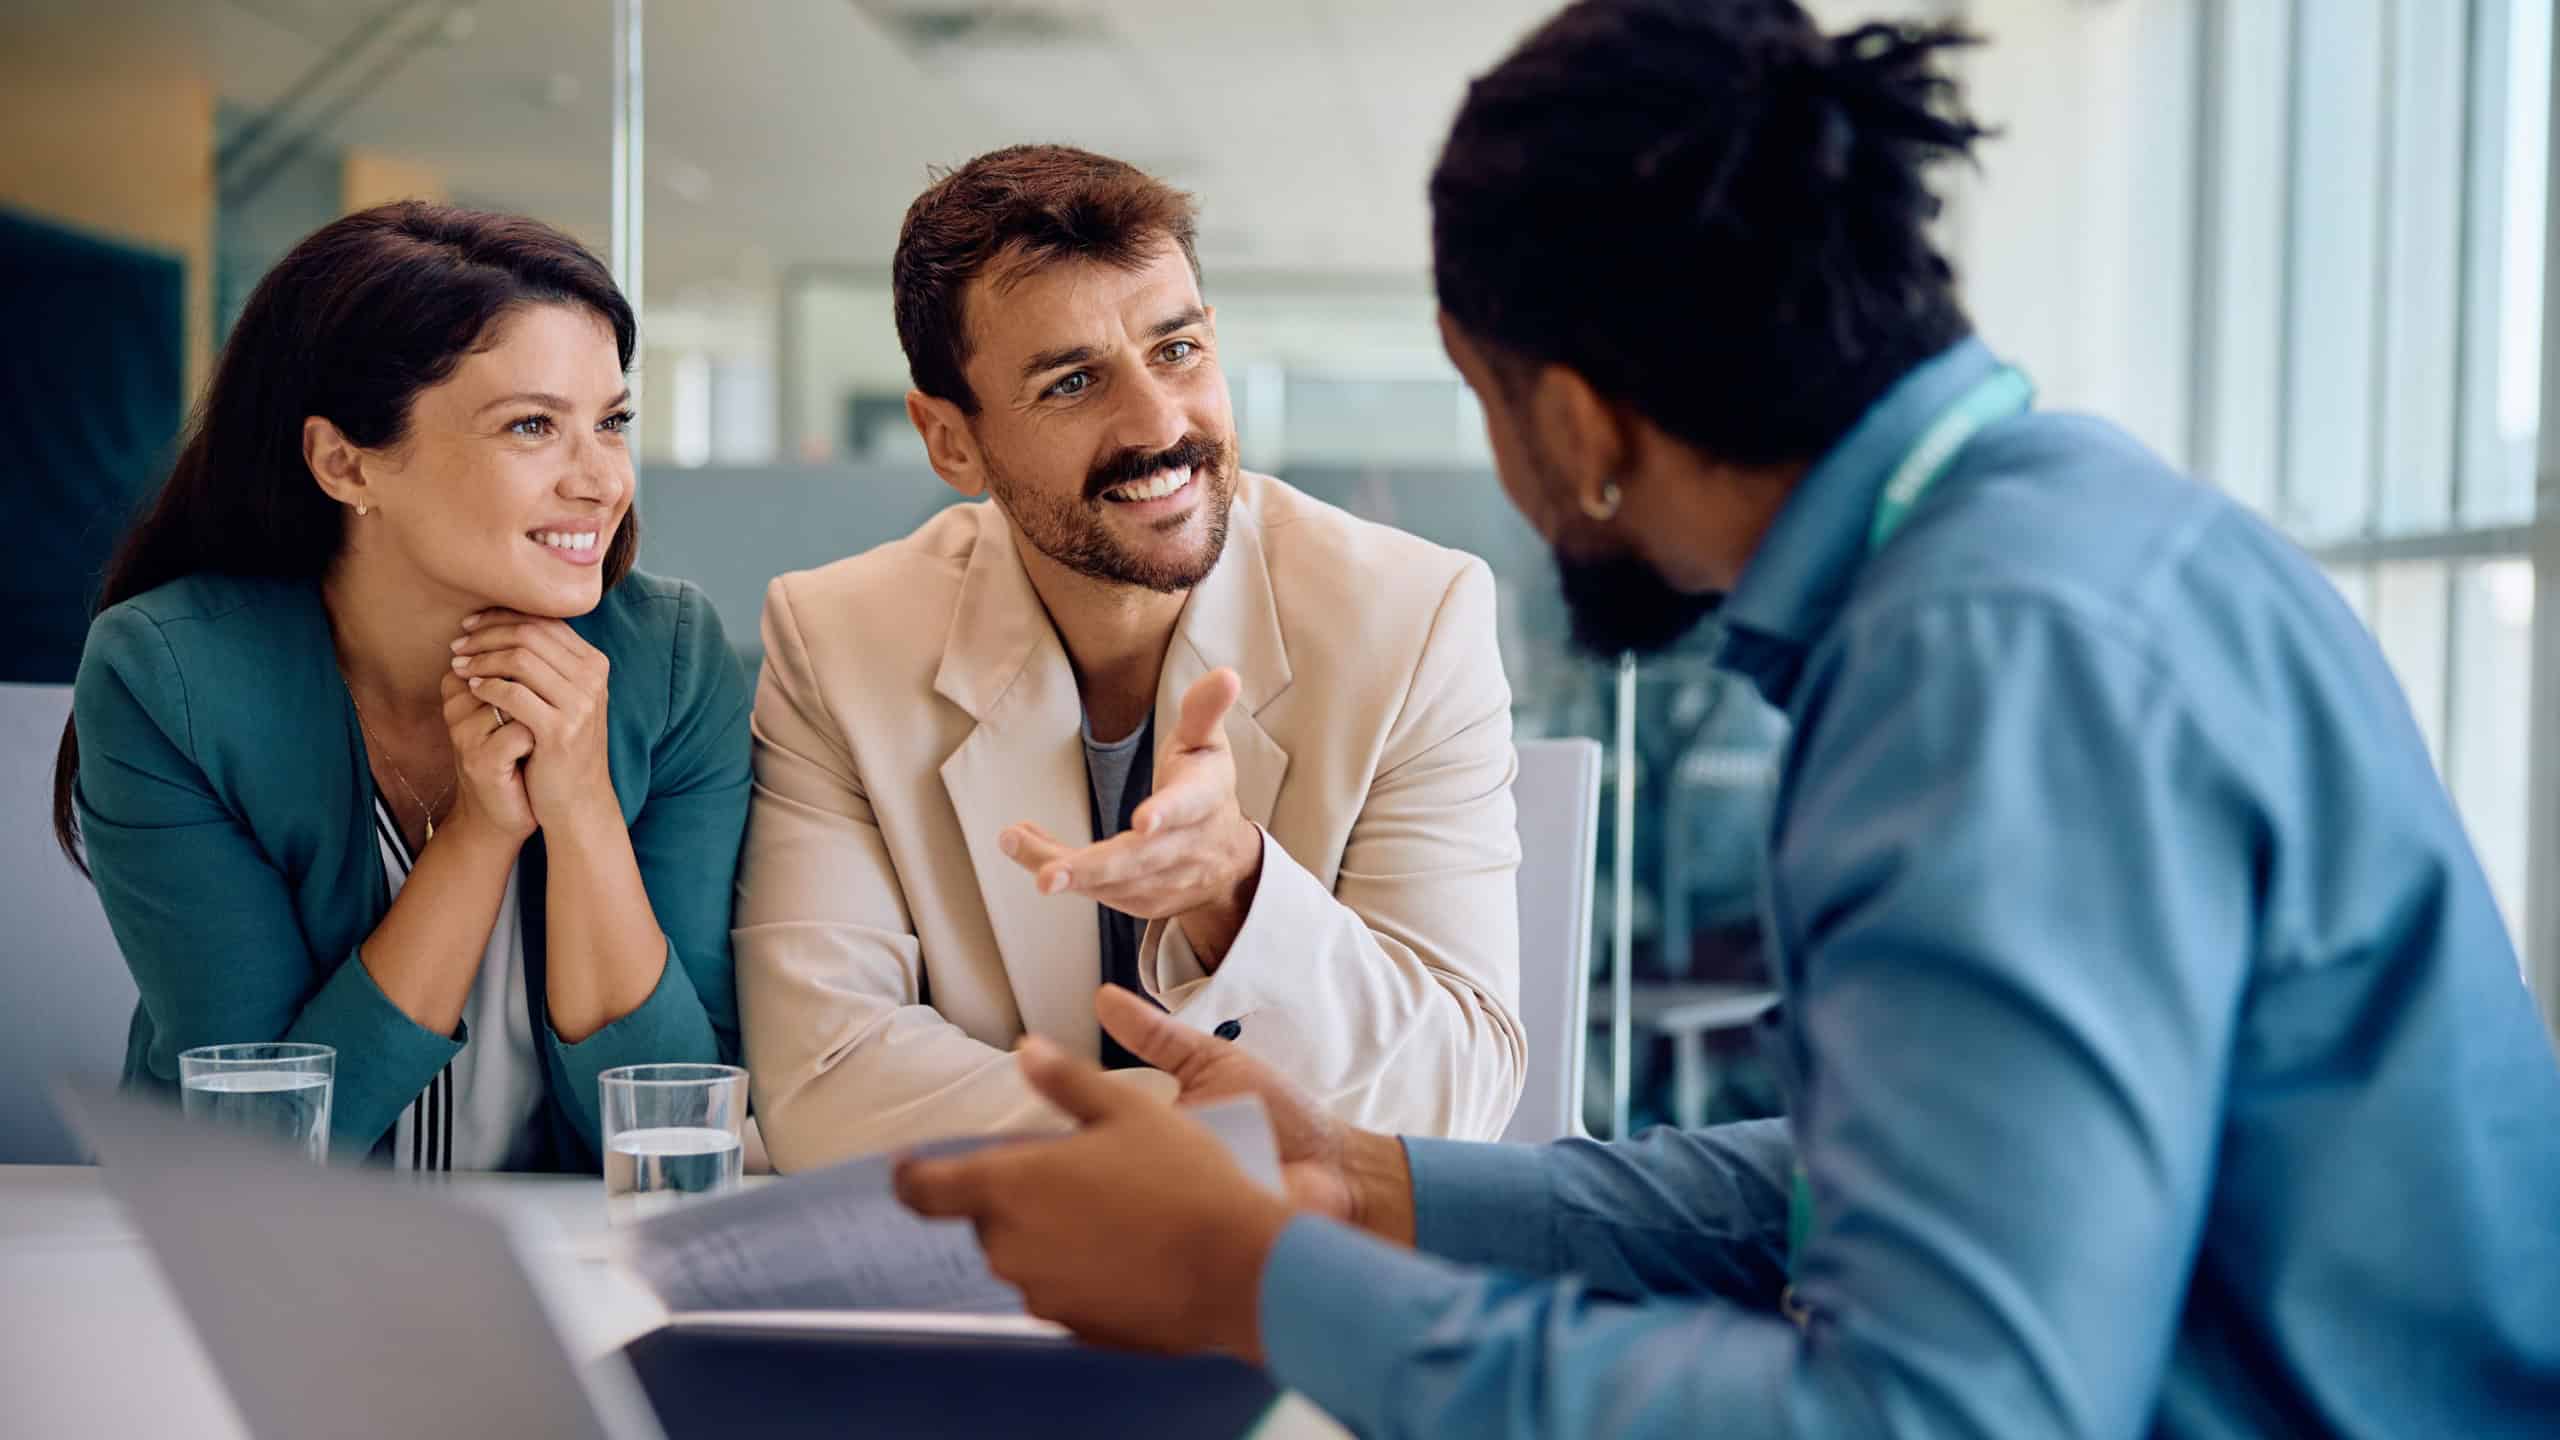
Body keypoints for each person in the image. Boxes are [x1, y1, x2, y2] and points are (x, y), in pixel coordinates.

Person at [892, 3, 2560, 1434]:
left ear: (1574, 414)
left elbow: (1931, 1412)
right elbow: (1898, 1173)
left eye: (1487, 406)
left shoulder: (1988, 663)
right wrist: (1377, 1188)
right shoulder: (2061, 537)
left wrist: (1260, 1284)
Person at [734, 144, 1524, 1169]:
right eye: (1071, 383)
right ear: (949, 443)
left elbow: (1457, 1095)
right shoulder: (837, 643)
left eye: (1177, 350)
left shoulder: (1414, 618)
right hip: (983, 1283)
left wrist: (1235, 892)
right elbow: (825, 1085)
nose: (1159, 425)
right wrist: (1218, 1132)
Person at [54, 203, 752, 1171]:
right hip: (262, 1259)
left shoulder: (670, 663)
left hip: (573, 1256)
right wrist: (479, 835)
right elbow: (266, 1146)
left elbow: (675, 1142)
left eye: (612, 421)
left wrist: (582, 805)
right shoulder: (171, 676)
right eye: (533, 426)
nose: (601, 479)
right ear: (345, 463)